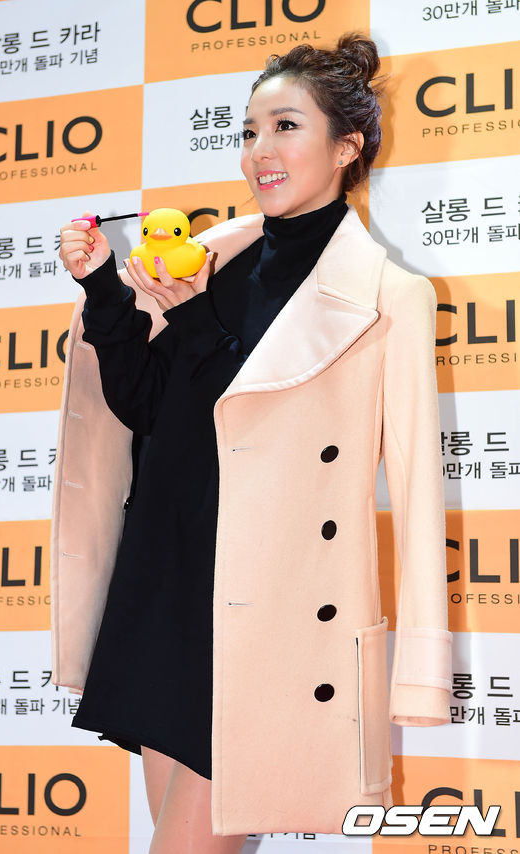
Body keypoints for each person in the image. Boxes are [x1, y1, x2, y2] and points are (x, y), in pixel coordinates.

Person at [54, 32, 452, 854]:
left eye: (285, 126)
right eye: (248, 130)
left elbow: (416, 492)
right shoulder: (212, 261)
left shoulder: (388, 296)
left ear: (347, 147)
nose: (258, 151)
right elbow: (149, 408)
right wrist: (103, 289)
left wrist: (418, 672)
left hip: (266, 613)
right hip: (165, 578)